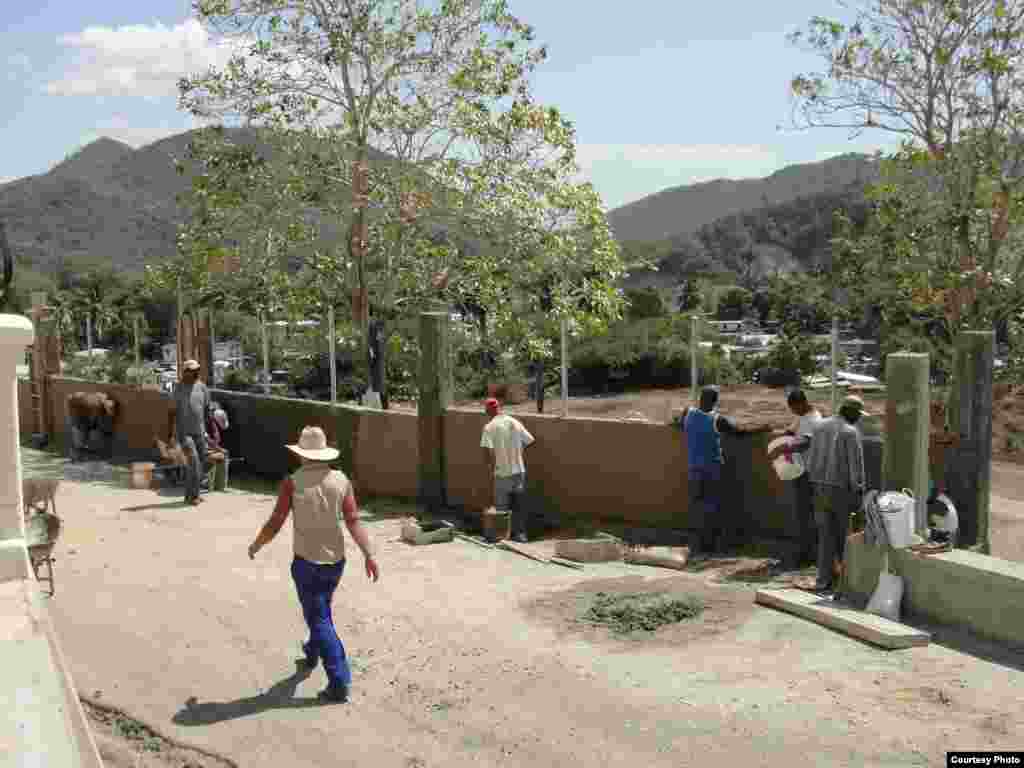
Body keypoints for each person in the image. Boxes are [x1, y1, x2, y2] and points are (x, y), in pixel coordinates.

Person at [247, 426, 380, 704]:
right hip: (335, 562)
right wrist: (369, 553)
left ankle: (339, 681)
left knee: (318, 617)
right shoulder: (341, 480)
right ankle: (311, 651)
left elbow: (276, 521)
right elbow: (353, 520)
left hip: (306, 563)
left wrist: (257, 544)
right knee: (320, 610)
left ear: (302, 455)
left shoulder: (292, 482)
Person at [679, 386, 768, 559]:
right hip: (712, 469)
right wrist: (762, 428)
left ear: (700, 398)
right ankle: (709, 546)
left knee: (698, 506)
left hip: (694, 468)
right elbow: (740, 433)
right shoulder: (717, 420)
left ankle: (698, 544)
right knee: (712, 508)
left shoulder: (688, 413)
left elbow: (678, 423)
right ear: (715, 402)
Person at [803, 394, 868, 595]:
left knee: (825, 537)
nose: (859, 418)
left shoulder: (819, 426)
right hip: (840, 490)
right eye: (858, 414)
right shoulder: (850, 432)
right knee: (844, 538)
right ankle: (845, 583)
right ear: (851, 412)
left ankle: (823, 581)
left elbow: (810, 461)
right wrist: (859, 492)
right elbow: (856, 468)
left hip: (817, 487)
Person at [766, 389, 822, 568]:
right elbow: (791, 432)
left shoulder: (814, 420)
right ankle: (806, 553)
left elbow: (805, 442)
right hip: (801, 471)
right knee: (803, 514)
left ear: (802, 403)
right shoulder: (803, 416)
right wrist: (784, 437)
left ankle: (808, 556)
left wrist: (782, 449)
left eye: (794, 408)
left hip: (809, 473)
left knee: (806, 515)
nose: (793, 412)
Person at [480, 397, 535, 543]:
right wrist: (519, 452)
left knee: (502, 509)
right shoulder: (514, 422)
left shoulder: (489, 427)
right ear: (499, 408)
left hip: (502, 473)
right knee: (518, 506)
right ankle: (520, 535)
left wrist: (491, 469)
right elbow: (529, 440)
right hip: (519, 471)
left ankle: (502, 536)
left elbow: (487, 452)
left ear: (487, 411)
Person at [171, 359, 211, 506]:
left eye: (196, 370)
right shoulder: (178, 388)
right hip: (184, 433)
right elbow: (172, 412)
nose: (195, 373)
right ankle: (191, 497)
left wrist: (207, 431)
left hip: (200, 432)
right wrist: (171, 434)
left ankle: (194, 494)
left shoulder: (202, 387)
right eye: (192, 371)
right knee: (193, 462)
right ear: (185, 372)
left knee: (201, 463)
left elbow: (206, 409)